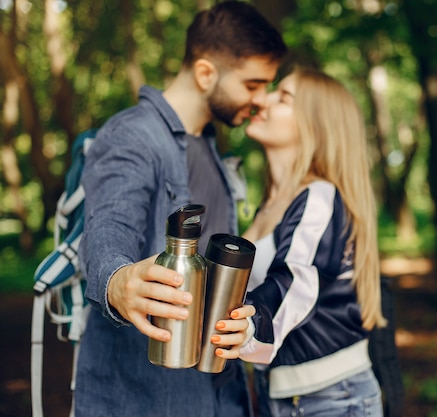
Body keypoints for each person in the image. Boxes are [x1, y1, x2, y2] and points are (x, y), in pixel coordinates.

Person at [76, 2, 287, 416]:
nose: (261, 100)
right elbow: (108, 225)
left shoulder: (209, 147)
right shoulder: (132, 136)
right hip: (145, 398)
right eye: (252, 85)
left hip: (221, 393)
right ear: (206, 73)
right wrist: (116, 281)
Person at [230, 67, 387, 417]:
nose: (263, 99)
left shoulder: (319, 196)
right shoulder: (269, 205)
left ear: (314, 125)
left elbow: (296, 278)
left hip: (333, 398)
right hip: (283, 396)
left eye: (283, 96)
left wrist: (248, 324)